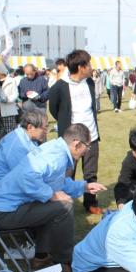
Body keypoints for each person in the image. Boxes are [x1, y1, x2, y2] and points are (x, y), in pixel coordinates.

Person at [0, 124, 107, 272]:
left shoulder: (56, 149)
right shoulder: (57, 157)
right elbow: (27, 177)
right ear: (77, 144)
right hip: (1, 212)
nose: (87, 151)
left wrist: (84, 187)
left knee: (52, 205)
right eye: (87, 146)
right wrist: (52, 195)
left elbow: (58, 182)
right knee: (64, 206)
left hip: (0, 206)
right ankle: (65, 260)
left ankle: (41, 256)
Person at [48, 50, 102, 214]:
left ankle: (90, 203)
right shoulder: (60, 87)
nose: (92, 67)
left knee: (91, 172)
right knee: (67, 174)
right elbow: (54, 109)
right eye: (89, 64)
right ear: (81, 67)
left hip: (91, 136)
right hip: (71, 141)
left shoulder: (90, 83)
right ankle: (65, 202)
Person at [0, 109, 48, 183]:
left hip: (3, 179)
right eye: (44, 128)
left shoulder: (20, 134)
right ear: (30, 127)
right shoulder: (19, 146)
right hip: (2, 185)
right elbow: (25, 178)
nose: (46, 132)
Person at [0, 62, 20, 144]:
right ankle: (0, 146)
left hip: (8, 110)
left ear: (0, 71)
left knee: (9, 131)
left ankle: (10, 146)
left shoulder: (11, 80)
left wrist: (7, 99)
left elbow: (15, 94)